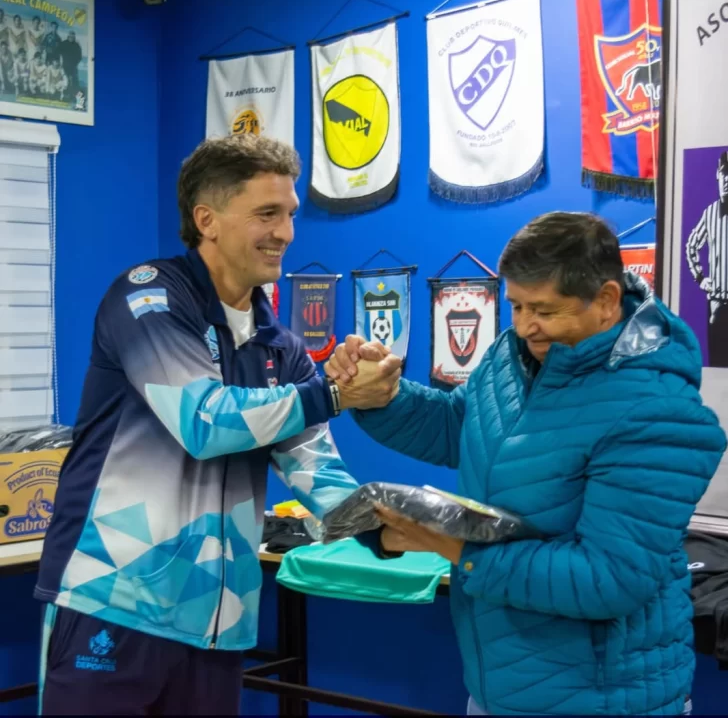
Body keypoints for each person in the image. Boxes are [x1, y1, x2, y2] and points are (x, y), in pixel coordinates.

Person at [35, 134, 401, 715]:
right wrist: (332, 393)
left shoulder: (279, 346)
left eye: (290, 214)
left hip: (217, 622)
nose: (286, 232)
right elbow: (202, 421)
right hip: (113, 601)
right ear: (206, 219)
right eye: (267, 213)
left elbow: (315, 468)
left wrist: (389, 529)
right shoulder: (149, 300)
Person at [325, 212, 727, 716]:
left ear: (606, 300)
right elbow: (457, 427)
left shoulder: (658, 411)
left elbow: (608, 579)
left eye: (544, 310)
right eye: (515, 305)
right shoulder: (512, 357)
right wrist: (381, 395)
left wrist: (453, 546)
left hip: (603, 701)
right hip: (499, 687)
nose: (523, 325)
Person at [686, 149, 728, 367]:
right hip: (717, 303)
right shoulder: (710, 213)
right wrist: (701, 278)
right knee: (717, 362)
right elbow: (691, 245)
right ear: (717, 175)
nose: (727, 179)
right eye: (724, 173)